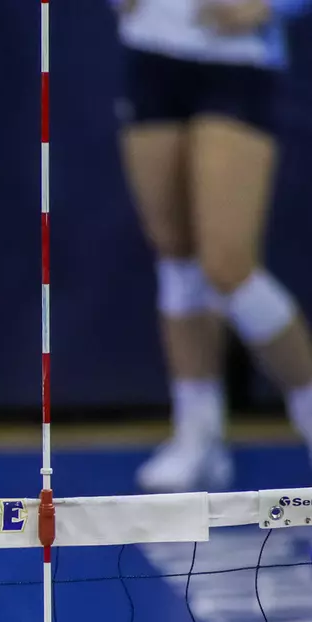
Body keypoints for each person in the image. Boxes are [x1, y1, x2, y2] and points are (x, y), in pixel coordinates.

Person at [115, 0, 312, 491]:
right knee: (176, 258)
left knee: (228, 265)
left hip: (236, 60)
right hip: (151, 51)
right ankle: (198, 437)